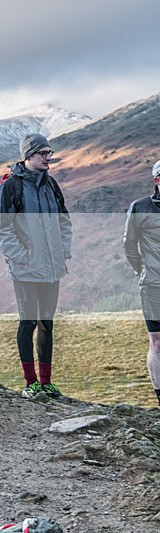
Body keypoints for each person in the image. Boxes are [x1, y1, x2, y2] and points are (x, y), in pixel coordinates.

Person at [0, 133, 72, 400]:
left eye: (50, 153)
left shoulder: (51, 185)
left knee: (46, 323)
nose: (49, 157)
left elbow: (64, 222)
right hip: (26, 269)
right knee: (28, 323)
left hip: (51, 269)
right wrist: (22, 257)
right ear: (29, 155)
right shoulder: (11, 186)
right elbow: (2, 230)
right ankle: (31, 383)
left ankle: (47, 383)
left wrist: (64, 251)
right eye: (44, 153)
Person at [123, 159, 160, 408]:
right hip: (153, 285)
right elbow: (129, 245)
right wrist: (143, 271)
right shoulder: (139, 207)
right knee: (157, 341)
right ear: (157, 180)